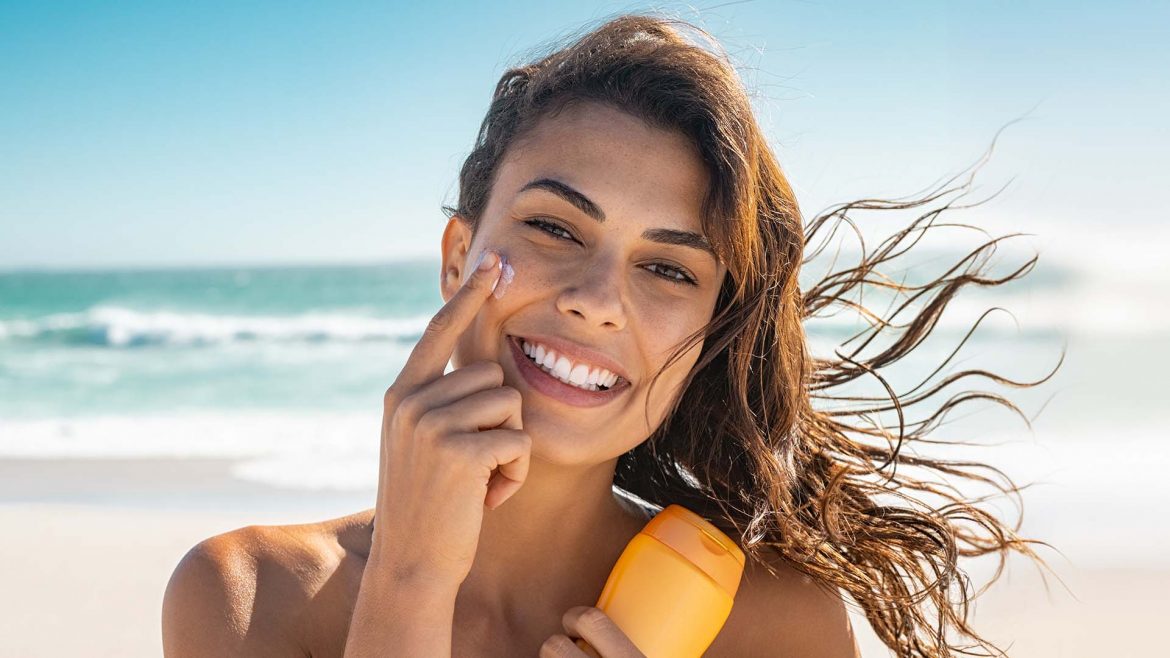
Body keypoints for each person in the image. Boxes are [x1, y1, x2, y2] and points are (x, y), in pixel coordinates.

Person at [162, 13, 1059, 658]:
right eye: (556, 228)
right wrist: (408, 583)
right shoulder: (247, 597)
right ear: (459, 255)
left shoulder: (777, 624)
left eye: (668, 269)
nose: (598, 301)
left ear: (710, 330)